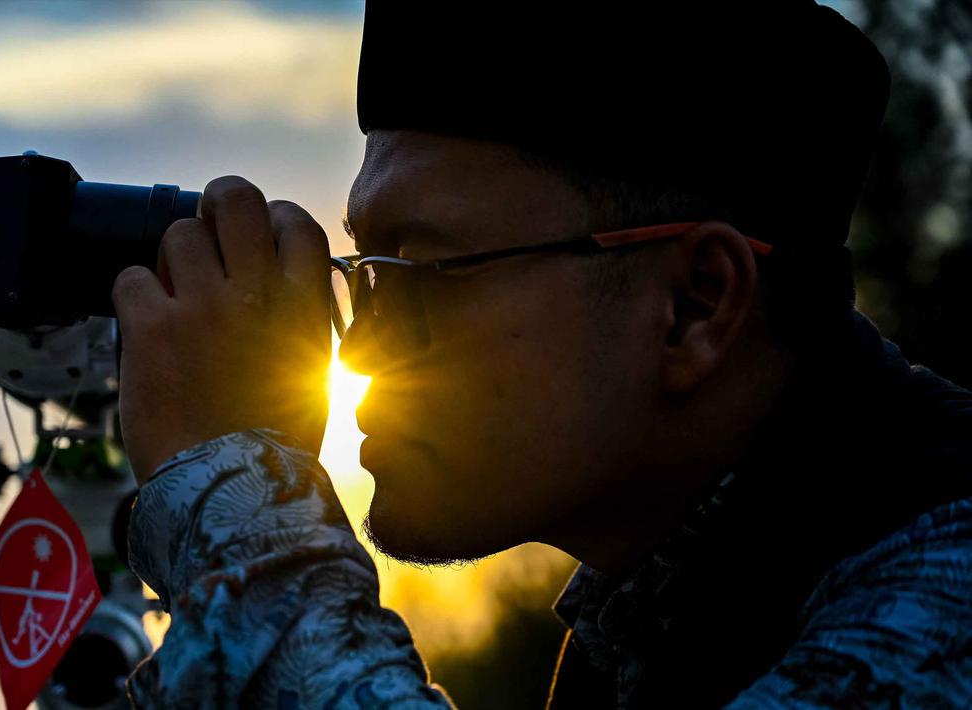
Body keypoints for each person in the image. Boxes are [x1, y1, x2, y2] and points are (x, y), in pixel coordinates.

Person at [110, 2, 972, 707]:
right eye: (368, 276)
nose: (364, 353)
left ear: (693, 305)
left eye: (428, 272)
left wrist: (229, 491)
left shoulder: (948, 597)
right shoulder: (649, 624)